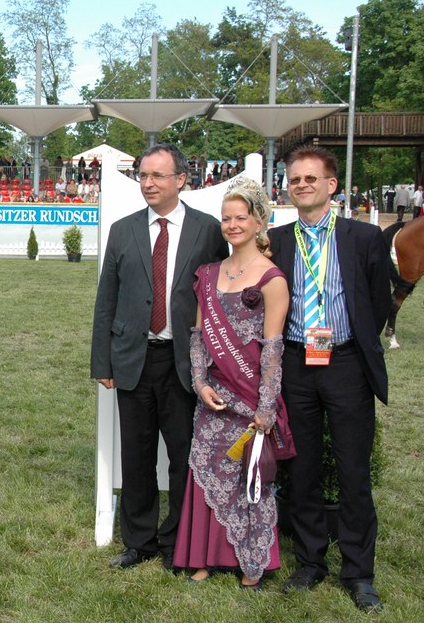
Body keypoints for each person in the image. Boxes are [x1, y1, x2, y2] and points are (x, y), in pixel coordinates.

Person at [91, 143, 229, 571]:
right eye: (142, 176)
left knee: (183, 456)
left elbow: (221, 297)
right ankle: (139, 541)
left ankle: (178, 542)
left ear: (181, 180)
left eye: (156, 176)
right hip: (132, 359)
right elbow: (105, 301)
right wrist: (102, 363)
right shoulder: (122, 229)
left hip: (186, 365)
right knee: (136, 455)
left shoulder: (208, 230)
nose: (147, 184)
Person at [268, 145, 388, 613]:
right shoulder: (276, 240)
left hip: (345, 364)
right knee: (302, 469)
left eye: (310, 179)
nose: (301, 185)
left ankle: (359, 573)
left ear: (331, 185)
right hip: (296, 364)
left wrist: (350, 346)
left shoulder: (363, 237)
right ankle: (311, 561)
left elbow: (376, 302)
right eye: (294, 179)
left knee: (354, 471)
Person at [173, 176, 291, 588]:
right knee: (206, 470)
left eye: (241, 217)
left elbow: (274, 349)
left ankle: (249, 562)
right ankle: (201, 556)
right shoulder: (208, 273)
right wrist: (200, 382)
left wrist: (265, 409)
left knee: (247, 478)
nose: (232, 225)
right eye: (226, 218)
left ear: (260, 222)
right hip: (214, 395)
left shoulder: (273, 278)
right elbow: (198, 335)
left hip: (251, 397)